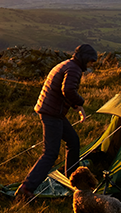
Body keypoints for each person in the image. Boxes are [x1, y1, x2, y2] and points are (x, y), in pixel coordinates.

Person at [15, 44, 98, 203]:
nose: (90, 65)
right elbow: (68, 90)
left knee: (73, 141)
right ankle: (26, 189)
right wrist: (81, 102)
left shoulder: (67, 64)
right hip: (52, 113)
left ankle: (72, 179)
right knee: (50, 153)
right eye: (90, 62)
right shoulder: (73, 69)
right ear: (84, 59)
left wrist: (76, 106)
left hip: (52, 111)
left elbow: (64, 91)